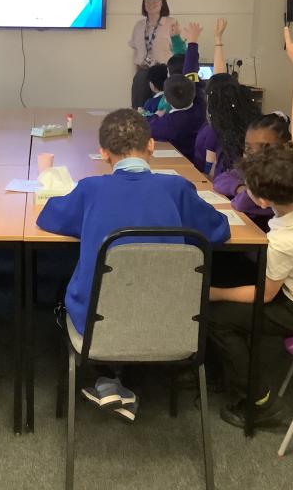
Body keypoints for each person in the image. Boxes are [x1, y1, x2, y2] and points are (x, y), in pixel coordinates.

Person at [37, 108, 230, 420]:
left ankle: (105, 377)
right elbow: (219, 230)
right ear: (151, 146)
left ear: (103, 153)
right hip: (171, 321)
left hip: (97, 324)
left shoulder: (90, 189)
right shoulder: (177, 189)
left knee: (68, 287)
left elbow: (48, 217)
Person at [207, 28, 293, 428]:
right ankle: (223, 369)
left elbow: (264, 295)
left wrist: (211, 292)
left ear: (262, 201)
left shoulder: (286, 238)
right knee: (230, 271)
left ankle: (255, 400)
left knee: (216, 314)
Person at [193, 20, 261, 177]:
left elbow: (208, 175)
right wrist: (218, 40)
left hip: (219, 185)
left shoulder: (213, 130)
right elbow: (220, 81)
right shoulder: (244, 122)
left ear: (211, 100)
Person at [213, 112, 291, 232]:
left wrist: (247, 192)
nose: (254, 153)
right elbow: (220, 180)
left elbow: (242, 203)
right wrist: (240, 188)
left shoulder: (284, 178)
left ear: (284, 148)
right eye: (248, 148)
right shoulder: (251, 168)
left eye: (264, 148)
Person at [146, 22, 208, 161]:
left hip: (176, 161)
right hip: (196, 162)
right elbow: (190, 67)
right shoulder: (199, 104)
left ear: (166, 99)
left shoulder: (169, 123)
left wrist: (154, 116)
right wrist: (190, 41)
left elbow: (145, 127)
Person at [128, 0, 186, 108]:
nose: (150, 2)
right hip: (142, 74)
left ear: (162, 2)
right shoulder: (139, 25)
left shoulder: (171, 23)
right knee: (139, 109)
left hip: (163, 73)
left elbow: (180, 50)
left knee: (159, 110)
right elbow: (136, 53)